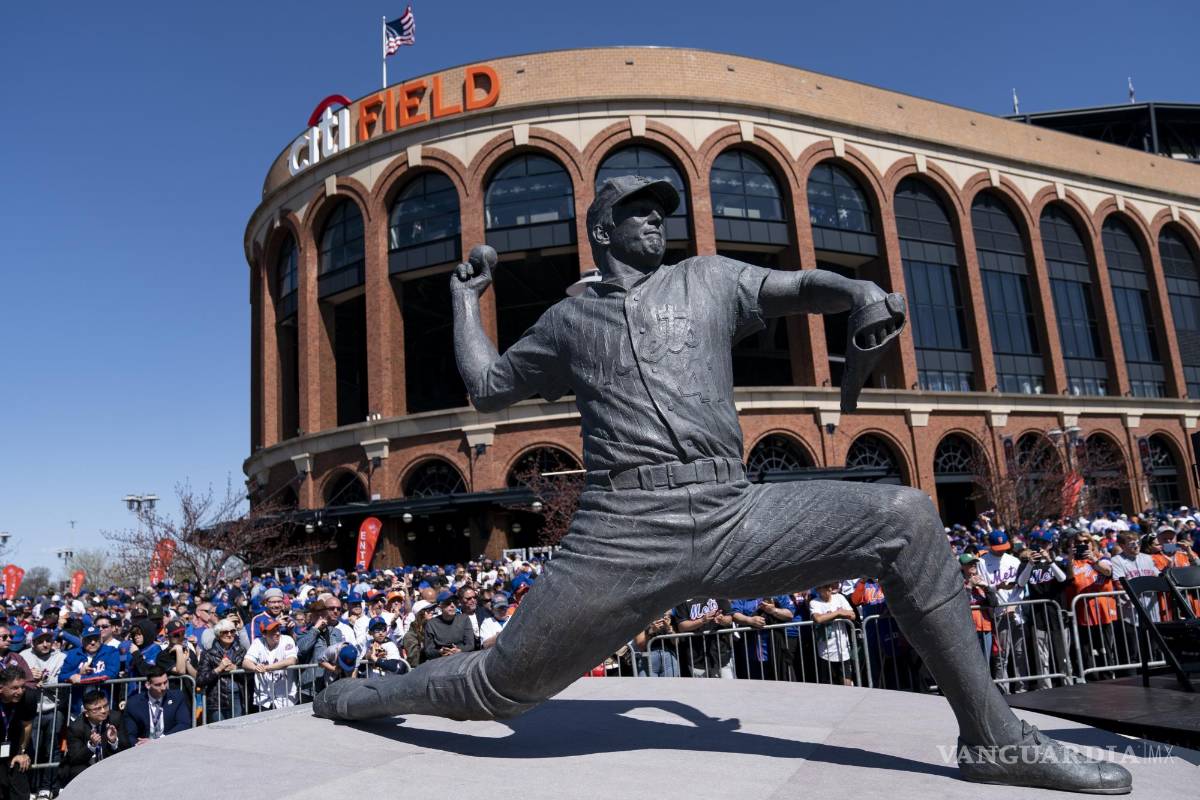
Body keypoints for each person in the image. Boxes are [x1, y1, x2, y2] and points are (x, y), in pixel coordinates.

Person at [315, 176, 1130, 793]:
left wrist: (853, 290)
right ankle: (363, 697)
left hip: (733, 509)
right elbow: (488, 386)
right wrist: (464, 303)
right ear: (603, 229)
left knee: (908, 516)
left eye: (662, 209)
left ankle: (992, 737)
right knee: (498, 690)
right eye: (640, 210)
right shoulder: (568, 321)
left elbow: (790, 286)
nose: (657, 220)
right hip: (621, 529)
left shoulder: (705, 279)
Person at [60, 688, 129, 787]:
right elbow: (74, 759)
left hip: (109, 763)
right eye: (97, 709)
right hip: (87, 765)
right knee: (77, 771)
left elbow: (127, 749)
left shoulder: (115, 718)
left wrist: (113, 742)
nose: (104, 711)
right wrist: (91, 746)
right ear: (86, 713)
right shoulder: (76, 727)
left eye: (105, 706)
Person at [196, 618, 248, 722]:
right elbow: (200, 680)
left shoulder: (241, 651)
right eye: (225, 632)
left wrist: (236, 668)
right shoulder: (208, 654)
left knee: (238, 730)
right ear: (218, 634)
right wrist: (219, 669)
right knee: (220, 733)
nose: (229, 635)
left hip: (237, 697)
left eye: (232, 631)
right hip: (216, 700)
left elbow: (250, 674)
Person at [124, 666, 190, 743]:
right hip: (144, 748)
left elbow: (184, 724)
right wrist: (138, 745)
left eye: (165, 682)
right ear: (148, 685)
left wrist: (159, 740)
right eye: (158, 685)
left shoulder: (177, 697)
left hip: (170, 743)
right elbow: (130, 734)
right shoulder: (133, 704)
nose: (163, 687)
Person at [242, 619, 299, 709]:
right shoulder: (258, 642)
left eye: (278, 629)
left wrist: (268, 668)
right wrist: (256, 667)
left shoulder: (287, 639)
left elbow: (291, 660)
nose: (277, 633)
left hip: (286, 698)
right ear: (264, 634)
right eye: (273, 631)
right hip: (264, 699)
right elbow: (245, 662)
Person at [808, 583, 856, 686]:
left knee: (847, 682)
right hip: (826, 651)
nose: (829, 588)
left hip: (843, 650)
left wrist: (829, 615)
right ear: (818, 589)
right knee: (829, 685)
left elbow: (852, 615)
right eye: (825, 586)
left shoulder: (839, 597)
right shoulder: (814, 602)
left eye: (829, 586)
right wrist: (838, 613)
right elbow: (818, 618)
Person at [0, 666, 34, 800]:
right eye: (14, 688)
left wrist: (21, 752)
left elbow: (27, 725)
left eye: (22, 687)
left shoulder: (28, 697)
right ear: (1, 688)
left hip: (14, 744)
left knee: (20, 767)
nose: (20, 691)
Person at [422, 596, 475, 661]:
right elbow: (428, 651)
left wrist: (459, 650)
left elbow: (470, 644)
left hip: (462, 658)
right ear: (440, 605)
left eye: (455, 603)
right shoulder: (431, 624)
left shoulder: (464, 619)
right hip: (440, 660)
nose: (452, 605)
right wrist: (440, 652)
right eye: (448, 603)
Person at [631, 611, 679, 677]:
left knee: (670, 686)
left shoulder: (669, 616)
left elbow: (676, 642)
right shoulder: (640, 618)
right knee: (647, 687)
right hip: (647, 658)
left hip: (669, 658)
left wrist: (669, 629)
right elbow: (640, 645)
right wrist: (651, 631)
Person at [401, 602, 436, 666]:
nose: (432, 612)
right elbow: (414, 661)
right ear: (420, 614)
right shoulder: (410, 636)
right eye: (428, 610)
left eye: (432, 609)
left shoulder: (434, 629)